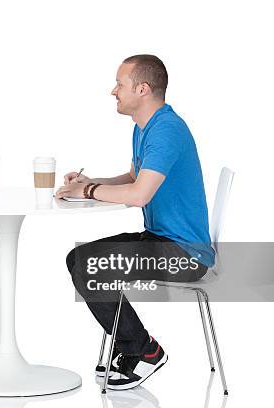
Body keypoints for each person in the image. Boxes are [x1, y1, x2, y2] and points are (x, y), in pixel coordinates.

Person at [56, 55, 215, 390]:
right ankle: (133, 346)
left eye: (120, 84)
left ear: (142, 89)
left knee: (88, 266)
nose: (113, 91)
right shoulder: (145, 127)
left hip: (185, 254)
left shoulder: (167, 131)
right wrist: (90, 183)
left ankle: (144, 351)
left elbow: (140, 194)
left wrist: (90, 190)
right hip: (161, 239)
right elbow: (132, 177)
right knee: (78, 259)